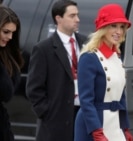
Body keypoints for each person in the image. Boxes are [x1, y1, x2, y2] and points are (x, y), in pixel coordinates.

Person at [26, 1, 86, 141]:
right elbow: (33, 88)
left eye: (77, 15)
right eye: (72, 16)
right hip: (56, 120)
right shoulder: (43, 49)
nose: (77, 19)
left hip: (83, 114)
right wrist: (47, 112)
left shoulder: (86, 43)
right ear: (58, 18)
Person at [74, 4, 133, 141]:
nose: (118, 31)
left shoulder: (117, 57)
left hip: (115, 125)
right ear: (102, 28)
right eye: (113, 26)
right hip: (93, 125)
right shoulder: (88, 57)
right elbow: (86, 101)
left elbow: (121, 97)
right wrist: (96, 131)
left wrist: (125, 128)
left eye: (122, 27)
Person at [0, 6, 24, 141]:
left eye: (12, 33)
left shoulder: (6, 55)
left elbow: (7, 92)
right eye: (6, 32)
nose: (9, 37)